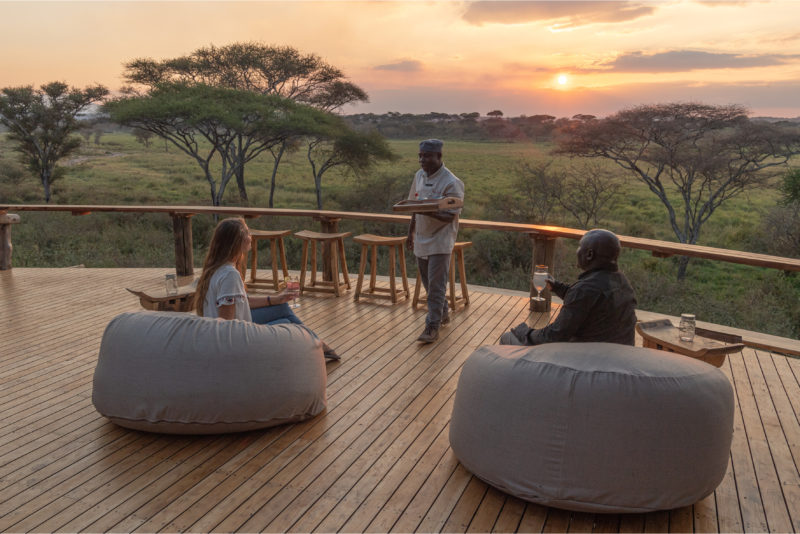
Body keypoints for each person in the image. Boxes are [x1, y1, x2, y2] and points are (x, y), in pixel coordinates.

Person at [193, 217, 339, 359]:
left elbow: (241, 303)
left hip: (235, 331)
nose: (251, 237)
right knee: (287, 325)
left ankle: (319, 344)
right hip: (236, 341)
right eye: (247, 233)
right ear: (236, 242)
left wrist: (275, 299)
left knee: (282, 308)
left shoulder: (216, 269)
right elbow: (225, 326)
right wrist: (257, 331)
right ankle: (317, 348)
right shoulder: (229, 275)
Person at [500, 229, 637, 346]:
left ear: (589, 254)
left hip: (589, 360)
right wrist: (557, 287)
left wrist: (526, 333)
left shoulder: (585, 289)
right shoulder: (622, 281)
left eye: (579, 246)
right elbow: (587, 302)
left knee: (508, 338)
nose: (577, 251)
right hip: (619, 354)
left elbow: (554, 335)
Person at [407, 139, 465, 343]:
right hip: (421, 236)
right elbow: (413, 206)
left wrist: (428, 210)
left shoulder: (451, 182)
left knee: (437, 284)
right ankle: (443, 313)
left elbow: (451, 215)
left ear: (439, 157)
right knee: (427, 282)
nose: (422, 159)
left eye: (427, 156)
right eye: (420, 155)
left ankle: (432, 326)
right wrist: (410, 233)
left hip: (441, 239)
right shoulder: (419, 176)